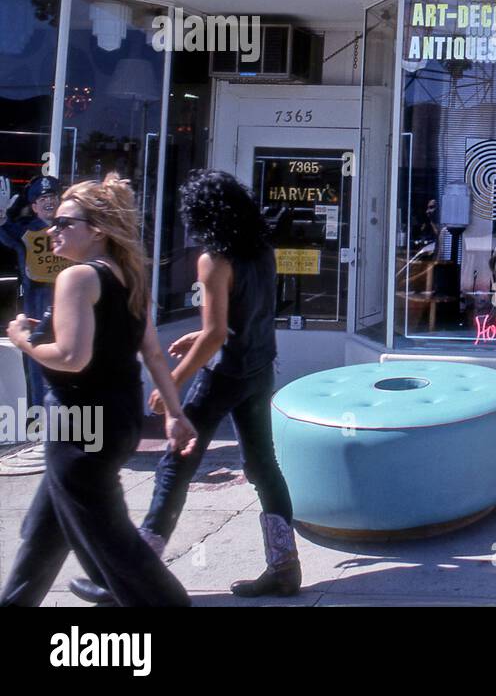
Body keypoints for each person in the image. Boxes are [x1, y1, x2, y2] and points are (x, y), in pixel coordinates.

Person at [71, 170, 300, 602]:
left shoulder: (214, 259)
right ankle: (285, 568)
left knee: (174, 468)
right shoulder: (261, 249)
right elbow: (248, 316)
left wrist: (172, 383)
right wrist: (205, 335)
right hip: (258, 370)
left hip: (224, 375)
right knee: (263, 468)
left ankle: (133, 580)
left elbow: (216, 335)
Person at [1, 174, 196, 607]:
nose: (53, 227)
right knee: (43, 532)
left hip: (79, 421)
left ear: (97, 230)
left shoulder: (78, 279)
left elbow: (72, 358)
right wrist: (174, 413)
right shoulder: (128, 276)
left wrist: (21, 339)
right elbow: (153, 352)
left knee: (116, 546)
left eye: (66, 222)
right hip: (116, 416)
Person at [0, 175, 69, 461]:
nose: (49, 202)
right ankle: (41, 428)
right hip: (37, 305)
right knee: (38, 368)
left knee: (67, 365)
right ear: (34, 205)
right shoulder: (25, 231)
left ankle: (65, 428)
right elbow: (4, 233)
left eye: (53, 197)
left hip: (66, 304)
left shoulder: (69, 229)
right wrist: (2, 214)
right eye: (43, 199)